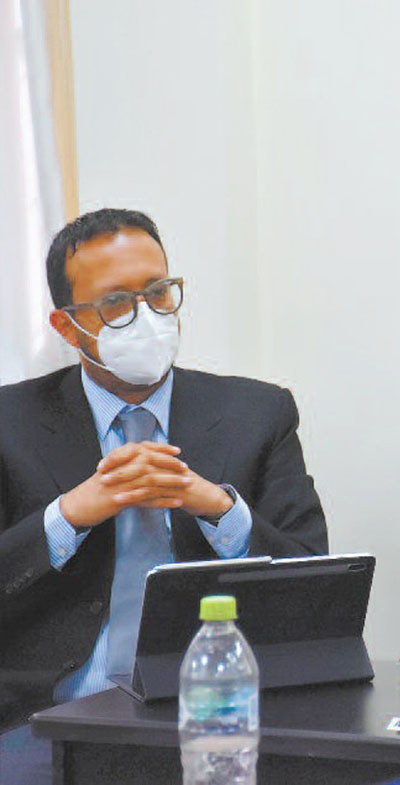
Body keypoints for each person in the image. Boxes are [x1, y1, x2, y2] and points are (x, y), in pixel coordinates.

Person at [0, 209, 328, 782]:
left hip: (216, 714)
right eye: (116, 302)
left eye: (158, 293)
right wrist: (67, 517)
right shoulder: (10, 422)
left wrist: (219, 509)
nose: (146, 317)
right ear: (67, 327)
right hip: (48, 722)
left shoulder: (257, 413)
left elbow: (316, 583)